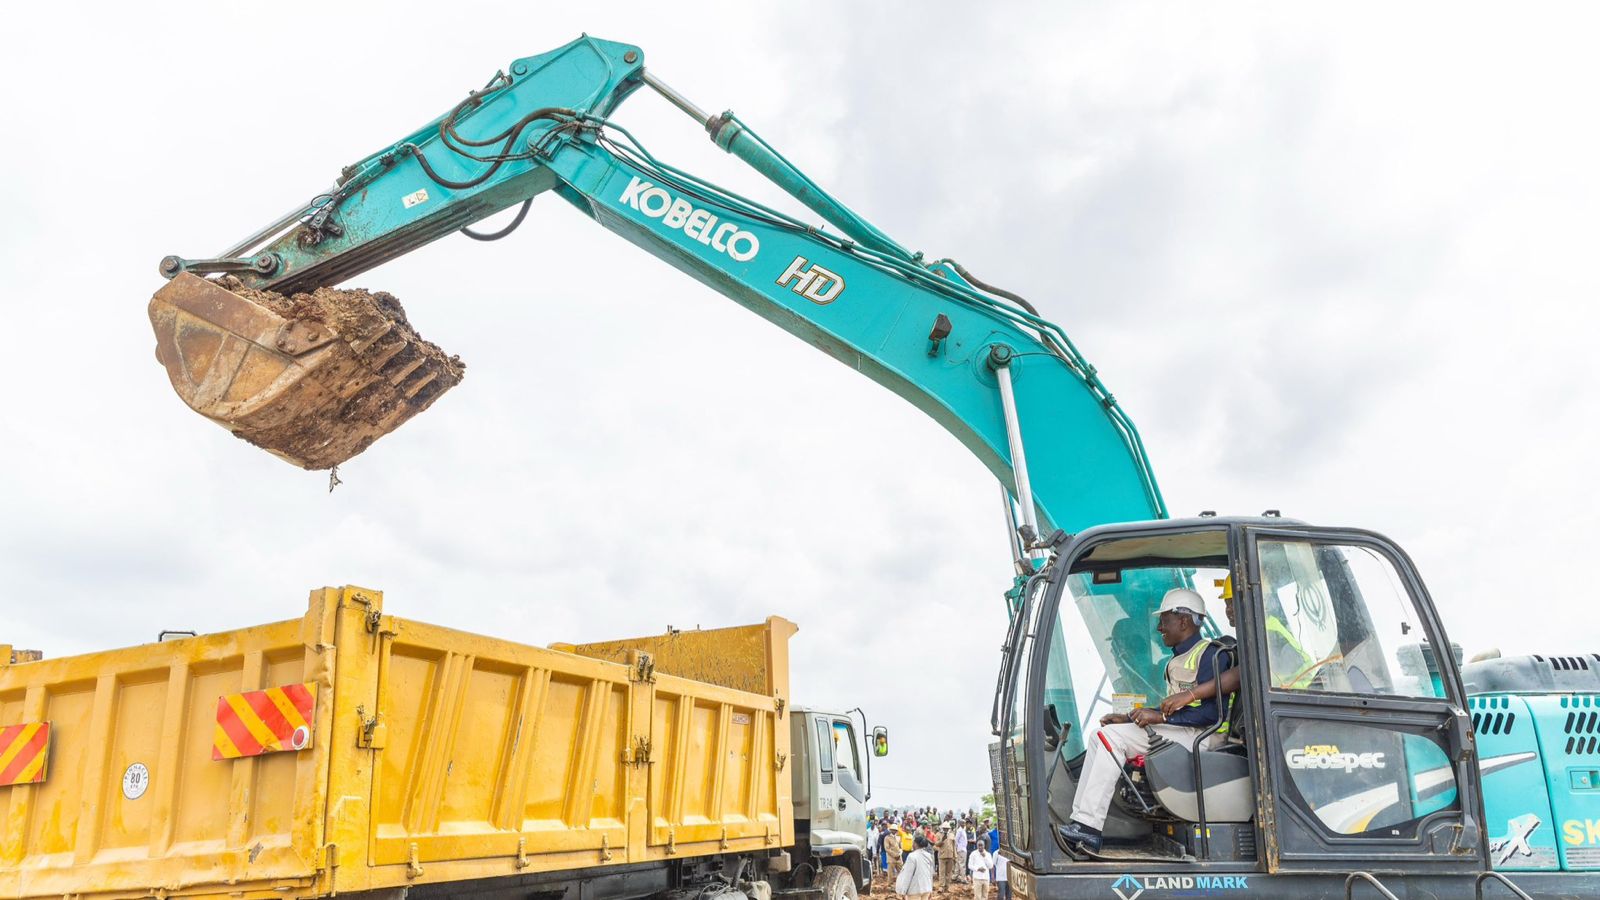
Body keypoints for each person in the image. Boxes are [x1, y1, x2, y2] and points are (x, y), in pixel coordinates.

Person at [1057, 588, 1231, 855]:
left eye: (1165, 620)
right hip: (1184, 730)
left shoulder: (1210, 655)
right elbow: (1172, 707)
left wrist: (1161, 717)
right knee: (1100, 735)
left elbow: (1211, 714)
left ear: (1184, 621)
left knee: (1110, 739)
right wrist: (1128, 717)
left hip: (1202, 736)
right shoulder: (1178, 659)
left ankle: (1090, 829)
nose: (1160, 627)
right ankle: (1081, 821)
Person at [895, 833, 936, 900]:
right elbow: (930, 874)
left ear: (915, 844)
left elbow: (907, 875)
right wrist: (930, 889)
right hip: (926, 888)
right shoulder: (928, 856)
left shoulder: (912, 856)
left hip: (915, 890)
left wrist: (903, 891)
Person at [935, 823, 957, 890]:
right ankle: (941, 886)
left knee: (949, 872)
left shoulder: (952, 835)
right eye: (944, 828)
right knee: (942, 872)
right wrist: (942, 840)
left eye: (947, 828)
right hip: (942, 856)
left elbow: (953, 846)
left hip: (950, 855)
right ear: (942, 828)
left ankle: (947, 886)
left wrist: (955, 856)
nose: (946, 830)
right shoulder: (938, 834)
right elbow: (936, 844)